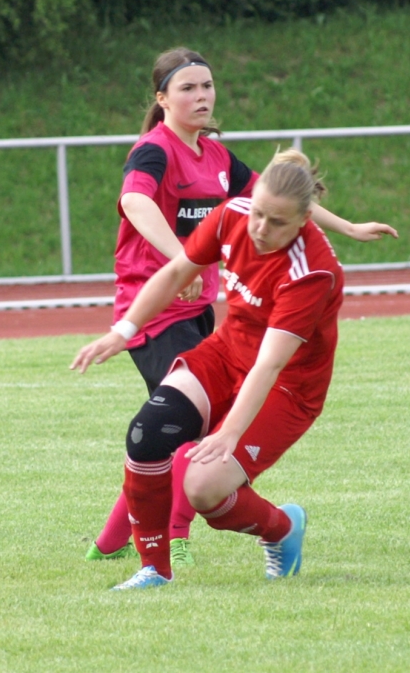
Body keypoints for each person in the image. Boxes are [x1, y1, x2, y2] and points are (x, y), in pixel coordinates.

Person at [87, 46, 398, 569]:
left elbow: (283, 193)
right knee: (168, 435)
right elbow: (136, 203)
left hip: (206, 314)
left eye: (207, 86)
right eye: (188, 87)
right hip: (159, 305)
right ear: (161, 97)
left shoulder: (219, 161)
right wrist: (177, 271)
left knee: (187, 447)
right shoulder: (155, 151)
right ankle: (158, 545)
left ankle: (127, 540)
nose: (202, 96)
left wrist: (346, 227)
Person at [71, 149, 346, 590]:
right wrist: (123, 331)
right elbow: (178, 271)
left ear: (304, 221)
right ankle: (154, 570)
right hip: (224, 353)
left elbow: (270, 364)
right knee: (148, 432)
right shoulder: (230, 215)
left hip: (289, 387)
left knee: (204, 489)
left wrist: (228, 433)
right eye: (258, 213)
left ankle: (282, 530)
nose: (260, 228)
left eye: (277, 223)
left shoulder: (311, 271)